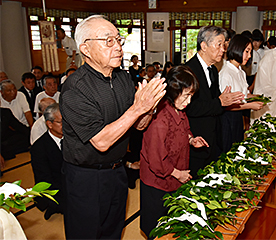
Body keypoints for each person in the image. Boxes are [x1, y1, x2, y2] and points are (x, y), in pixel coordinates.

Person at [60, 15, 166, 239]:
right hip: (85, 177)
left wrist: (149, 109)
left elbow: (137, 126)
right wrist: (138, 108)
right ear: (85, 49)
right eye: (108, 41)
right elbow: (101, 141)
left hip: (118, 170)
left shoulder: (121, 78)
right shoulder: (75, 88)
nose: (118, 47)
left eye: (118, 40)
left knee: (114, 231)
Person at [140, 65, 208, 239]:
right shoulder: (160, 118)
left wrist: (191, 139)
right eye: (186, 96)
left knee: (173, 226)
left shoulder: (178, 108)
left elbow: (183, 130)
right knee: (158, 230)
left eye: (191, 96)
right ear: (173, 91)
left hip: (176, 177)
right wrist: (178, 174)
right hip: (158, 184)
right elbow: (156, 160)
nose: (189, 101)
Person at [185, 25, 244, 177]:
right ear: (204, 46)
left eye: (224, 45)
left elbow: (216, 103)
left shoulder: (213, 70)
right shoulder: (188, 71)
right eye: (219, 45)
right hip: (196, 140)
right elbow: (190, 108)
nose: (223, 50)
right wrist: (220, 102)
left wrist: (226, 100)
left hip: (212, 139)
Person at [219, 34, 264, 152]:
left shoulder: (240, 71)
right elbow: (226, 106)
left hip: (238, 117)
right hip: (228, 119)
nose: (249, 56)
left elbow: (243, 95)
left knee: (237, 150)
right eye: (247, 51)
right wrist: (250, 105)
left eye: (250, 52)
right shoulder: (226, 73)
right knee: (228, 153)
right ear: (237, 49)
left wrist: (257, 97)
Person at [30, 103, 64, 220]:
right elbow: (44, 179)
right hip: (56, 187)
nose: (67, 125)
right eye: (61, 122)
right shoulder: (39, 147)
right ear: (49, 124)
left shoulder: (73, 138)